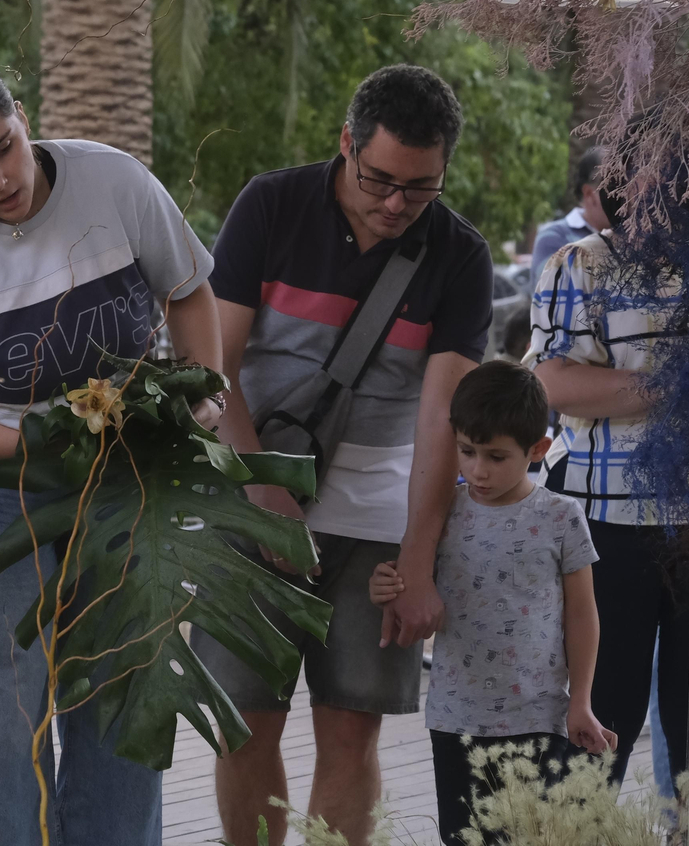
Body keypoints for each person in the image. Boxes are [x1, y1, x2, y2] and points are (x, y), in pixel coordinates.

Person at [0, 59, 223, 846]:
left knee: (124, 705)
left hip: (129, 481)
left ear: (24, 117)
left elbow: (188, 289)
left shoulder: (114, 180)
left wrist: (205, 392)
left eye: (4, 146)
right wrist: (46, 443)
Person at [188, 64, 494, 845]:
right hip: (250, 495)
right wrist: (264, 496)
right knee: (241, 725)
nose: (395, 204)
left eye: (420, 188)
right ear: (346, 144)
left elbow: (443, 418)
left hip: (377, 526)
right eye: (379, 179)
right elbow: (214, 368)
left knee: (353, 732)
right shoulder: (272, 204)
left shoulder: (459, 255)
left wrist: (419, 560)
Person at [368, 362, 615, 844]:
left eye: (496, 456)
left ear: (537, 450)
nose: (478, 470)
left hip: (537, 716)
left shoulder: (561, 517)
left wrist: (581, 702)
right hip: (455, 718)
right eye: (467, 451)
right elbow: (409, 582)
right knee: (465, 837)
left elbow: (582, 614)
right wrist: (384, 587)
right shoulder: (441, 514)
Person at [526, 184, 689, 788]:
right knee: (601, 717)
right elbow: (552, 382)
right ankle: (580, 827)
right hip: (604, 521)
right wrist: (680, 388)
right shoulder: (580, 264)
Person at [529, 147, 607, 287]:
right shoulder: (553, 238)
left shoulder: (633, 236)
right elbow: (550, 293)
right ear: (589, 193)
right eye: (614, 186)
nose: (625, 195)